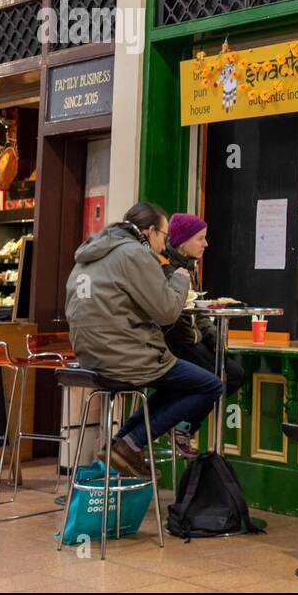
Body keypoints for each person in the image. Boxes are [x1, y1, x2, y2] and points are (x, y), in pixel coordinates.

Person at [64, 202, 223, 478]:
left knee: (177, 383)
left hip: (88, 355)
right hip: (122, 355)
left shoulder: (91, 253)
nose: (163, 245)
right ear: (149, 231)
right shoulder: (135, 253)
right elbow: (166, 312)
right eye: (163, 236)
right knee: (211, 384)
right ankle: (131, 443)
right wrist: (181, 279)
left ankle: (121, 443)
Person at [159, 213, 240, 457]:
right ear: (182, 242)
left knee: (233, 372)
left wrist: (214, 339)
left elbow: (200, 312)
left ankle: (178, 422)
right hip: (175, 343)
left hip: (191, 339)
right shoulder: (166, 269)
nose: (206, 244)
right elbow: (170, 314)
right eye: (200, 239)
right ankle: (180, 425)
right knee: (225, 377)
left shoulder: (189, 267)